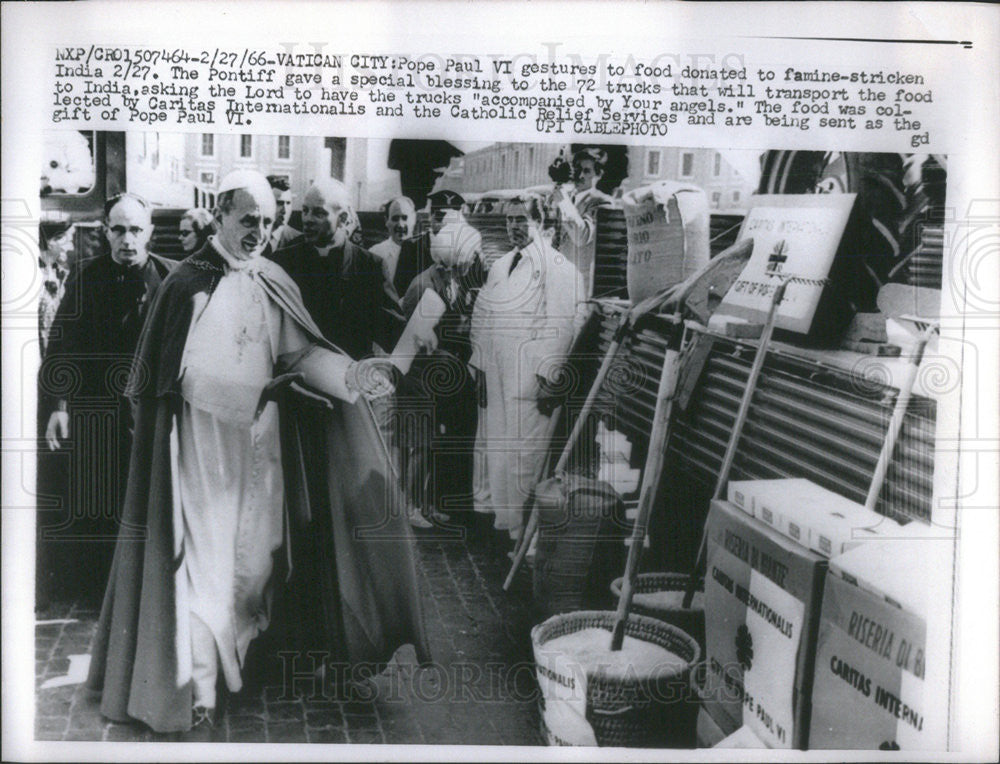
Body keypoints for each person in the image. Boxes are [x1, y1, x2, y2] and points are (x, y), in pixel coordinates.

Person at [85, 170, 429, 734]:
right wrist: (261, 392)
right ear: (219, 214)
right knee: (204, 566)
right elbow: (183, 379)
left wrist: (353, 377)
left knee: (261, 558)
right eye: (249, 220)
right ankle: (197, 689)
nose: (260, 233)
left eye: (268, 222)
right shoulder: (187, 284)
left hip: (261, 449)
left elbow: (298, 354)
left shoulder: (271, 276)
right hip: (201, 449)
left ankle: (235, 666)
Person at [38, 194, 176, 601]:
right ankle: (101, 590)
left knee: (149, 499)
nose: (127, 239)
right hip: (96, 408)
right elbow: (63, 347)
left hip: (151, 411)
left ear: (149, 232)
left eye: (136, 230)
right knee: (101, 498)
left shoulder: (170, 278)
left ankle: (146, 588)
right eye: (118, 230)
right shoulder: (86, 277)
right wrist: (59, 408)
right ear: (105, 233)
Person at [470, 195, 587, 543]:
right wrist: (478, 366)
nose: (514, 227)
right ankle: (507, 529)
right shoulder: (500, 265)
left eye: (522, 219)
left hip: (530, 381)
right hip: (496, 374)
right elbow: (482, 316)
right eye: (509, 220)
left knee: (526, 458)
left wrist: (549, 379)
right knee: (500, 454)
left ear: (542, 222)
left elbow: (563, 323)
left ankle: (527, 539)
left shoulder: (559, 267)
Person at [398, 207, 486, 524]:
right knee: (418, 446)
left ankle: (426, 503)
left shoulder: (452, 281)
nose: (475, 259)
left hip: (439, 380)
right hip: (419, 378)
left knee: (432, 443)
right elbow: (410, 341)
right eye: (471, 253)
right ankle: (409, 506)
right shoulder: (424, 286)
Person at [270, 179, 404, 360]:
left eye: (318, 213)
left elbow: (393, 336)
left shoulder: (369, 267)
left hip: (349, 377)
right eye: (305, 210)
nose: (307, 219)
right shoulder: (283, 262)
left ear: (343, 219)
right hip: (296, 377)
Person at [550, 147, 615, 297]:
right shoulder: (569, 200)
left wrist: (563, 202)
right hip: (561, 283)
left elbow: (582, 237)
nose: (580, 175)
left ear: (598, 175)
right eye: (577, 169)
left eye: (587, 171)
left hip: (583, 286)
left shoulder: (602, 202)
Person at [370, 195, 419, 295]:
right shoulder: (375, 254)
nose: (400, 224)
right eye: (395, 218)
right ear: (386, 221)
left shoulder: (422, 252)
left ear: (414, 219)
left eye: (405, 218)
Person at [266, 175, 300, 253]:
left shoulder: (299, 240)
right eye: (279, 203)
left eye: (288, 203)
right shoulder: (251, 235)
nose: (284, 211)